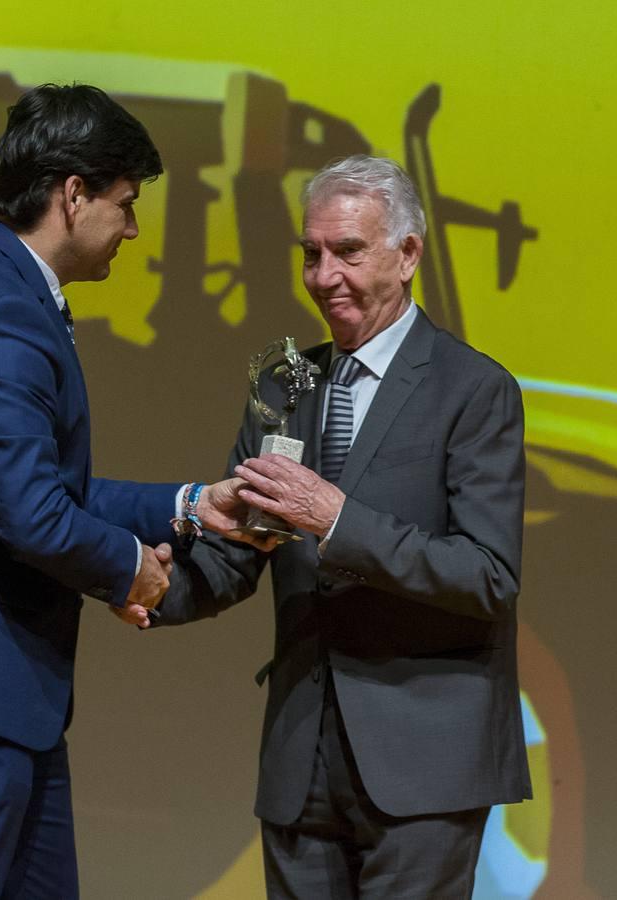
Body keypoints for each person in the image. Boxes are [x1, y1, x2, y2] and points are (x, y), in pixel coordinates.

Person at [0, 83, 255, 898]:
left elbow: (39, 489)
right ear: (73, 194)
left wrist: (189, 507)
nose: (133, 228)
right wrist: (137, 568)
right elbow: (31, 515)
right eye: (126, 205)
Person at [137, 155, 531, 898]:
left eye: (348, 252)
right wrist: (154, 585)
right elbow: (237, 553)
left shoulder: (474, 390)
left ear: (409, 254)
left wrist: (339, 518)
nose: (323, 276)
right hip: (301, 757)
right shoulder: (283, 386)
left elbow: (489, 575)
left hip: (424, 766)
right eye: (310, 255)